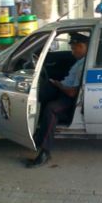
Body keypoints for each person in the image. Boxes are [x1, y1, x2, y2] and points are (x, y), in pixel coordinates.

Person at [26, 33, 89, 168]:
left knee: (51, 109)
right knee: (36, 95)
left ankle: (45, 151)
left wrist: (58, 84)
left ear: (82, 46)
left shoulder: (84, 65)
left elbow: (72, 93)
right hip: (63, 90)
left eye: (74, 48)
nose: (72, 52)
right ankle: (35, 134)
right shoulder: (80, 61)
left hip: (70, 98)